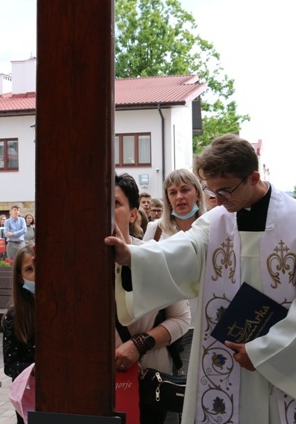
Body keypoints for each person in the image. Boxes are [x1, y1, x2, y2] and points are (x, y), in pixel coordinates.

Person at [105, 134, 296, 424]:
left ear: (253, 177)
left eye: (225, 191)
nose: (218, 201)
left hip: (281, 360)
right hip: (227, 360)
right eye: (211, 191)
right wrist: (131, 257)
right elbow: (182, 251)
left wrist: (263, 351)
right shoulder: (216, 221)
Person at [113, 174, 190, 424]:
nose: (106, 210)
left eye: (115, 203)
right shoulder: (76, 264)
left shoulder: (154, 257)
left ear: (133, 213)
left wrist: (139, 344)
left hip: (148, 381)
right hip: (94, 383)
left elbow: (181, 318)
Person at [141, 169, 206, 384]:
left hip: (203, 324)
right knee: (167, 391)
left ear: (197, 193)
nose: (179, 197)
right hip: (166, 325)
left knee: (193, 389)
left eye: (185, 190)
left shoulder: (210, 227)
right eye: (172, 192)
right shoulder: (155, 230)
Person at [3, 243, 36, 424]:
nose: (37, 273)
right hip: (29, 392)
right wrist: (34, 369)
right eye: (29, 269)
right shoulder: (15, 315)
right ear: (20, 278)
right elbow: (10, 364)